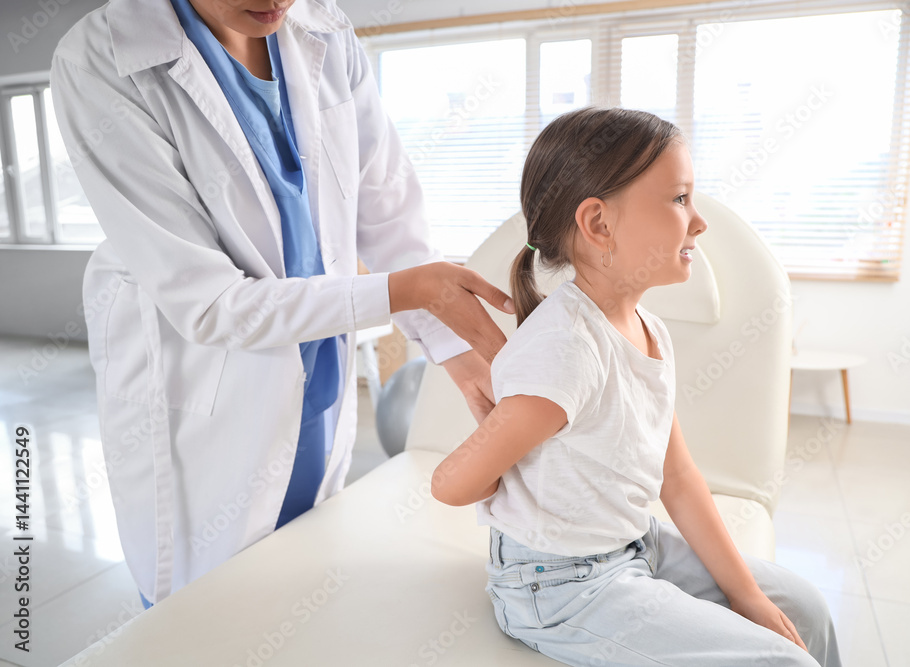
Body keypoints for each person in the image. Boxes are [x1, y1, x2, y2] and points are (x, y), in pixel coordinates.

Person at [50, 0, 512, 609]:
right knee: (207, 617)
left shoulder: (325, 29)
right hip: (204, 397)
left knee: (300, 582)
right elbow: (211, 304)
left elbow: (388, 208)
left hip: (317, 375)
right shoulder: (102, 59)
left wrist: (455, 349)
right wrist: (406, 291)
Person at [431, 107, 842, 666]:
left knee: (806, 609)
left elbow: (677, 475)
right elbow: (450, 485)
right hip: (559, 588)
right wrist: (502, 442)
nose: (699, 221)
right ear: (599, 225)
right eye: (679, 199)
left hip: (633, 546)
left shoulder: (649, 330)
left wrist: (749, 597)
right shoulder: (565, 350)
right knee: (784, 661)